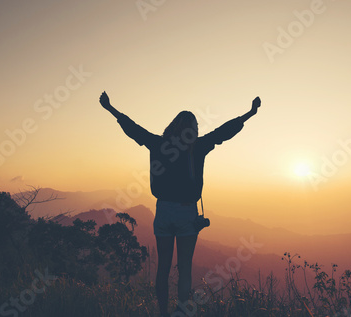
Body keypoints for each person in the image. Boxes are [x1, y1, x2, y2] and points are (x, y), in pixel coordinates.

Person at [99, 91, 261, 317]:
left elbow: (133, 129)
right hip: (187, 213)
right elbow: (224, 131)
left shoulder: (158, 144)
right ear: (192, 129)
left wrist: (110, 108)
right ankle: (181, 313)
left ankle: (163, 312)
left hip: (163, 211)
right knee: (185, 267)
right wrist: (249, 114)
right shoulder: (198, 146)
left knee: (162, 268)